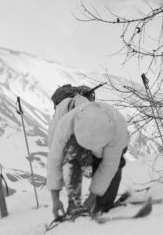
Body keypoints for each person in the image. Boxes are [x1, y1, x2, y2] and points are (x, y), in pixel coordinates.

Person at [46, 86, 129, 219]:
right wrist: (55, 200)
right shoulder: (68, 123)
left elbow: (109, 165)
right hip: (77, 145)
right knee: (72, 156)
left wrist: (92, 196)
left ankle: (102, 204)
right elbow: (54, 160)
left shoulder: (118, 128)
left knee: (113, 165)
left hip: (110, 147)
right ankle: (74, 204)